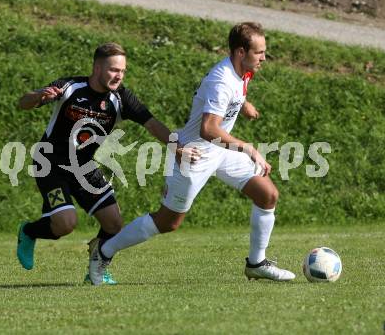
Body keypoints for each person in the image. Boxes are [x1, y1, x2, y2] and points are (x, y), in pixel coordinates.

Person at [89, 22, 296, 285]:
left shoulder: (242, 70)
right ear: (240, 52)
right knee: (167, 222)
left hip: (220, 151)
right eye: (259, 52)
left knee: (268, 194)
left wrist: (243, 104)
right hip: (192, 154)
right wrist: (248, 148)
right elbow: (208, 128)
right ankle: (103, 251)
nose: (264, 58)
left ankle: (256, 263)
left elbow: (232, 94)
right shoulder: (220, 81)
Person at [16, 42, 199, 284]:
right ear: (97, 67)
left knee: (114, 224)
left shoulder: (121, 98)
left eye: (122, 71)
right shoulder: (70, 87)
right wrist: (40, 95)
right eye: (114, 70)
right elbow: (23, 103)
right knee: (65, 224)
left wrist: (178, 148)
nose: (119, 75)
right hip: (49, 162)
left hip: (83, 165)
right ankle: (29, 232)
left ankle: (96, 269)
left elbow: (152, 124)